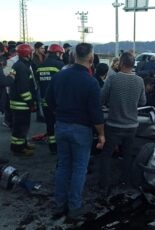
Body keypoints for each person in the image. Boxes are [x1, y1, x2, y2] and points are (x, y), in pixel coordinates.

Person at [46, 42, 105, 220]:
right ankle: (74, 208)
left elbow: (49, 100)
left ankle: (59, 205)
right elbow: (96, 113)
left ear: (73, 56)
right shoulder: (91, 82)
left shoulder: (60, 76)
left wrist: (61, 114)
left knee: (63, 166)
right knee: (79, 168)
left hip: (61, 126)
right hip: (81, 130)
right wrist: (101, 134)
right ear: (91, 58)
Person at [99, 52, 146, 194]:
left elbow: (101, 99)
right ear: (133, 65)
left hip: (113, 125)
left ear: (121, 64)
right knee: (127, 155)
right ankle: (124, 182)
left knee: (106, 155)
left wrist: (110, 103)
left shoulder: (112, 79)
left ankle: (105, 185)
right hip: (131, 126)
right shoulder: (139, 81)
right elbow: (143, 102)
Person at [36, 44, 65, 154]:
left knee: (49, 124)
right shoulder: (60, 65)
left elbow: (39, 83)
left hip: (44, 100)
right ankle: (61, 146)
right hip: (58, 102)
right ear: (57, 53)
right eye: (61, 54)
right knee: (60, 124)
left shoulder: (41, 66)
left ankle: (52, 146)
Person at [9, 44, 36, 156]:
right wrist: (31, 103)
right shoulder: (22, 67)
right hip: (21, 103)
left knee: (22, 126)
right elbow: (24, 89)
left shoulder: (20, 65)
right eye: (31, 53)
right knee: (20, 127)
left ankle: (23, 144)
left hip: (18, 102)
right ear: (27, 54)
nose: (32, 54)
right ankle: (18, 148)